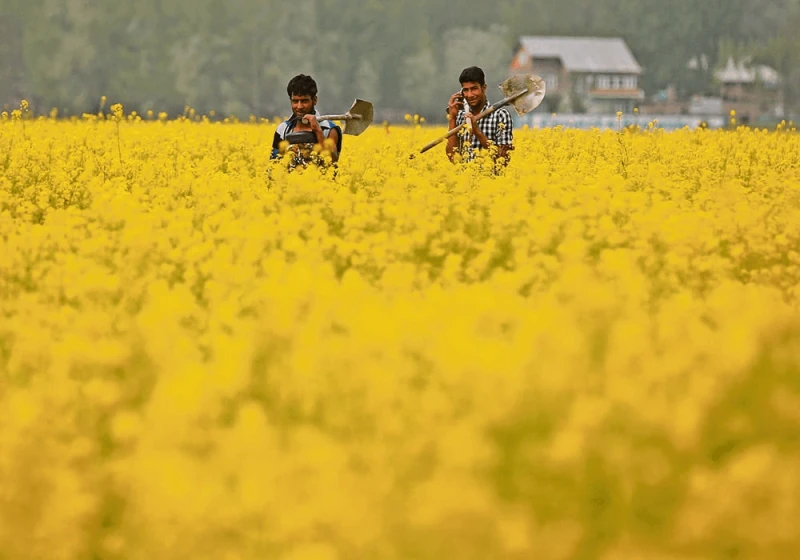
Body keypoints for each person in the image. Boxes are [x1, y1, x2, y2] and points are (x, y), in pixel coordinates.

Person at [271, 74, 342, 170]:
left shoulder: (329, 130)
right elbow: (274, 164)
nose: (299, 107)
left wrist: (318, 131)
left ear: (315, 100)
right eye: (295, 101)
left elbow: (331, 162)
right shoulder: (283, 130)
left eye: (304, 101)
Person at [445, 66, 513, 165]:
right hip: (464, 179)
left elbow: (503, 159)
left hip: (491, 179)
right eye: (466, 90)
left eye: (474, 89)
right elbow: (453, 157)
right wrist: (452, 117)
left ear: (483, 88)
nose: (470, 95)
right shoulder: (461, 116)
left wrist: (477, 131)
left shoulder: (500, 116)